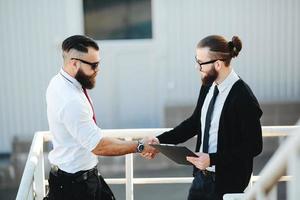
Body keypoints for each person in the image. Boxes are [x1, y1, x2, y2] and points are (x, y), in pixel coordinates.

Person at [145, 35, 263, 200]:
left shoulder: (243, 97)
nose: (196, 67)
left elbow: (254, 146)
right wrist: (160, 141)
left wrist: (213, 159)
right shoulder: (208, 85)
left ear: (218, 64)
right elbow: (194, 123)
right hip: (201, 178)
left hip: (228, 184)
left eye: (201, 63)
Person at [45, 35, 157, 200]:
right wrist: (140, 146)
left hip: (80, 177)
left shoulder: (60, 82)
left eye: (99, 63)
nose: (98, 70)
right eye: (94, 65)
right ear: (74, 63)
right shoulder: (70, 99)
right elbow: (99, 146)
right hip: (75, 186)